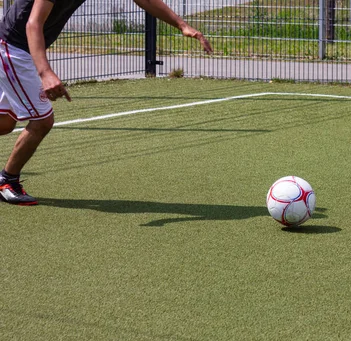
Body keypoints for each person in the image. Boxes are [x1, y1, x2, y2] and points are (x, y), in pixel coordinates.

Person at [0, 0, 213, 205]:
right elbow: (33, 24)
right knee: (42, 121)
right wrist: (45, 72)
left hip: (19, 47)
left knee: (5, 123)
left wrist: (182, 25)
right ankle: (7, 182)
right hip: (14, 48)